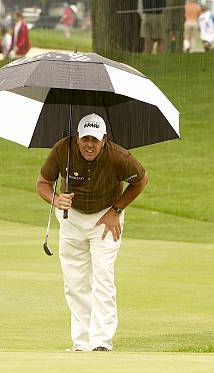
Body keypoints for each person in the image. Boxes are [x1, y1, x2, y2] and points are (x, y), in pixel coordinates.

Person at [36, 113, 149, 352]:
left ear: (104, 139)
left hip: (105, 219)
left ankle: (101, 342)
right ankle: (81, 342)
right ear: (77, 138)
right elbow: (42, 183)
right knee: (75, 282)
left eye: (95, 140)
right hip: (71, 219)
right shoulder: (62, 150)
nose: (89, 145)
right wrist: (56, 199)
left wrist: (116, 210)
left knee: (103, 278)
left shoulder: (120, 156)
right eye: (85, 138)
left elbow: (141, 180)